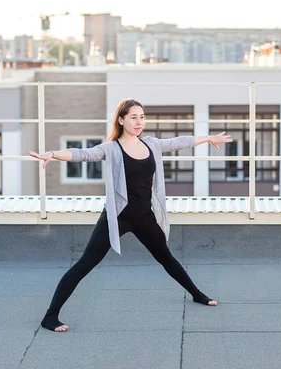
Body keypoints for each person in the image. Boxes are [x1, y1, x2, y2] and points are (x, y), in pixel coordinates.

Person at [30, 98, 233, 332]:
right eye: (133, 117)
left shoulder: (151, 144)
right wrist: (53, 154)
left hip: (145, 216)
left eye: (142, 117)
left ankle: (197, 295)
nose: (138, 122)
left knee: (166, 257)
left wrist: (208, 138)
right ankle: (50, 316)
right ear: (121, 120)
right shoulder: (112, 148)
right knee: (85, 264)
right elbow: (83, 154)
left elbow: (178, 142)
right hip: (118, 216)